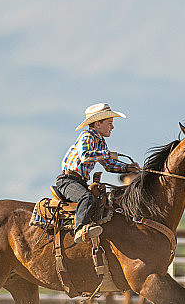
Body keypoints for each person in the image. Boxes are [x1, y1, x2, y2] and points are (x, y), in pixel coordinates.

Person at [55, 103, 139, 243]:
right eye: (110, 123)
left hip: (80, 181)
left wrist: (127, 168)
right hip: (67, 181)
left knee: (101, 200)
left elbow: (109, 165)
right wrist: (108, 154)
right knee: (86, 198)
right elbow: (85, 156)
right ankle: (80, 229)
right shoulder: (86, 136)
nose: (112, 127)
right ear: (97, 124)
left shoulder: (100, 142)